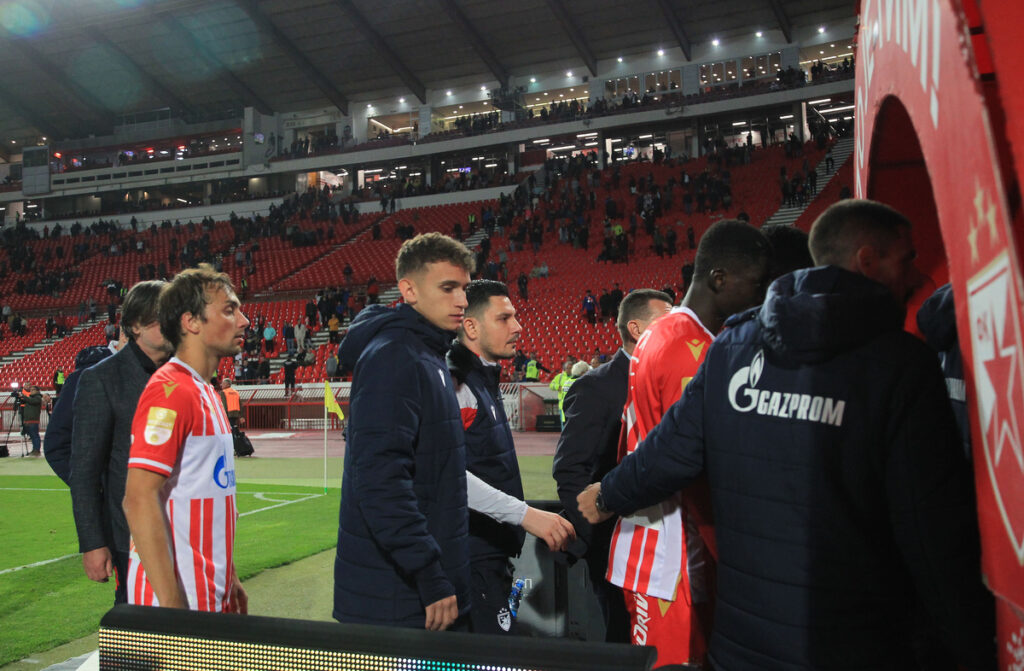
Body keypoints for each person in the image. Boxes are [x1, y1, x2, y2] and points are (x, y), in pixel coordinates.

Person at [578, 200, 996, 670]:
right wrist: (976, 645)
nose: (916, 274)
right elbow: (930, 531)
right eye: (907, 259)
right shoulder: (899, 363)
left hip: (742, 641)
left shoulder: (732, 348)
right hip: (854, 643)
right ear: (867, 261)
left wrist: (607, 494)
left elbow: (669, 452)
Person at [602, 220, 772, 667]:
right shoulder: (688, 348)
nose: (761, 296)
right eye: (755, 284)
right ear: (719, 279)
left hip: (666, 547)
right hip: (668, 557)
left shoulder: (669, 332)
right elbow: (692, 463)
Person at [334, 232, 474, 631]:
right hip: (399, 596)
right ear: (409, 290)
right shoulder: (395, 356)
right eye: (448, 288)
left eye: (464, 289)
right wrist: (428, 572)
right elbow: (380, 480)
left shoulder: (425, 353)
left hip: (412, 588)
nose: (462, 301)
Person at [447, 280, 575, 634]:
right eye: (504, 318)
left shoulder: (482, 378)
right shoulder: (457, 384)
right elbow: (446, 472)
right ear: (470, 326)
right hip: (470, 557)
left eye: (516, 316)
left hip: (488, 554)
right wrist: (525, 514)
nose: (518, 326)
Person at [122, 264, 250, 612]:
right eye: (229, 309)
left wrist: (230, 575)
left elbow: (208, 494)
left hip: (210, 591)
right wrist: (171, 606)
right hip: (180, 602)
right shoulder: (170, 391)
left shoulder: (204, 389)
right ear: (191, 322)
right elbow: (138, 498)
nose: (244, 321)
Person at [552, 288, 672, 643]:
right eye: (667, 319)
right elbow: (570, 470)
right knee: (625, 640)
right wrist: (597, 546)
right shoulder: (596, 388)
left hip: (671, 547)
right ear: (636, 329)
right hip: (617, 552)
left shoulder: (677, 381)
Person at [71, 281, 170, 604]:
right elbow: (84, 472)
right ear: (135, 324)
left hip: (184, 531)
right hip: (128, 535)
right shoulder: (101, 379)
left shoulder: (187, 374)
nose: (169, 324)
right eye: (159, 317)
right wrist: (92, 542)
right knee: (137, 632)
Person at [20, 385, 45, 456]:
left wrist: (23, 396)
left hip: (33, 420)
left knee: (35, 435)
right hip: (28, 420)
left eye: (33, 390)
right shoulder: (30, 398)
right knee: (32, 436)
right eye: (30, 390)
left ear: (37, 391)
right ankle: (34, 449)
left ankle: (36, 450)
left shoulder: (38, 398)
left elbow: (32, 401)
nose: (31, 391)